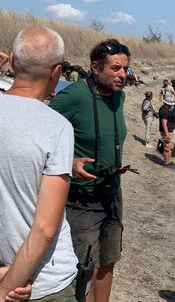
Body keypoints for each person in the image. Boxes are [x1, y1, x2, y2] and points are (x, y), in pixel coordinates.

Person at [0, 27, 78, 301]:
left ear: (11, 61)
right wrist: (6, 287)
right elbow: (45, 229)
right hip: (41, 281)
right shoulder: (56, 128)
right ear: (56, 72)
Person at [49, 38, 130, 302]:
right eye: (116, 69)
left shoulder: (119, 96)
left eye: (125, 69)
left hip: (112, 196)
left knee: (107, 262)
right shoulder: (73, 96)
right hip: (81, 200)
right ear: (95, 68)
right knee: (82, 269)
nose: (123, 75)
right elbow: (43, 135)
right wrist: (70, 163)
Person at [159, 93, 175, 168]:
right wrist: (166, 135)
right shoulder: (164, 111)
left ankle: (169, 161)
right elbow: (164, 124)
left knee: (169, 147)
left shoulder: (165, 109)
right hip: (166, 131)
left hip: (169, 130)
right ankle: (166, 162)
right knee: (167, 147)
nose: (172, 105)